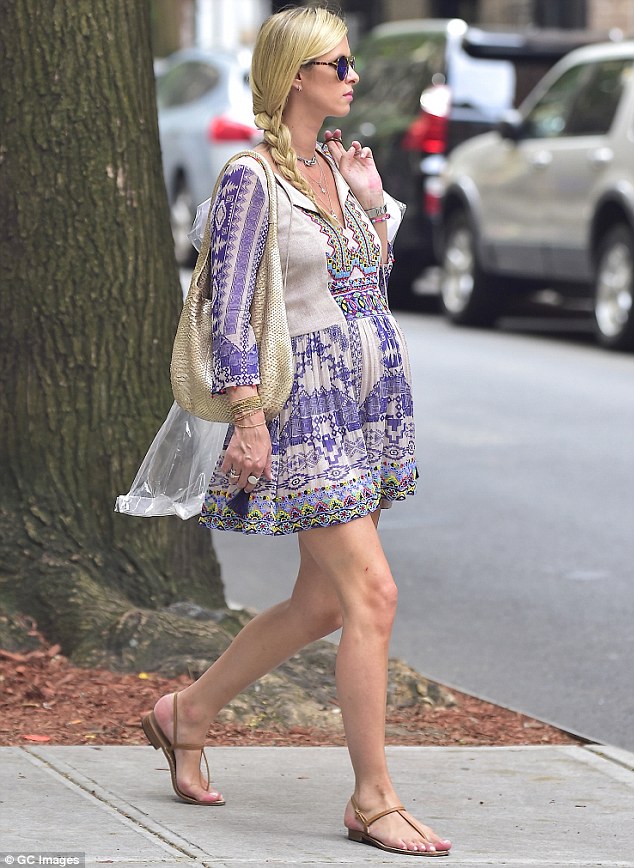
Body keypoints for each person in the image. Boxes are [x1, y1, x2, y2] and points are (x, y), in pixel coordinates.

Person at [142, 5, 452, 858]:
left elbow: (366, 283)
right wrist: (248, 418)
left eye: (350, 62)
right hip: (306, 412)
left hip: (367, 408)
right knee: (373, 596)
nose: (353, 76)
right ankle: (372, 798)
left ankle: (186, 713)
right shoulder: (251, 179)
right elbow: (229, 308)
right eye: (337, 64)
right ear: (295, 78)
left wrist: (367, 203)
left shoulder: (333, 166)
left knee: (322, 603)